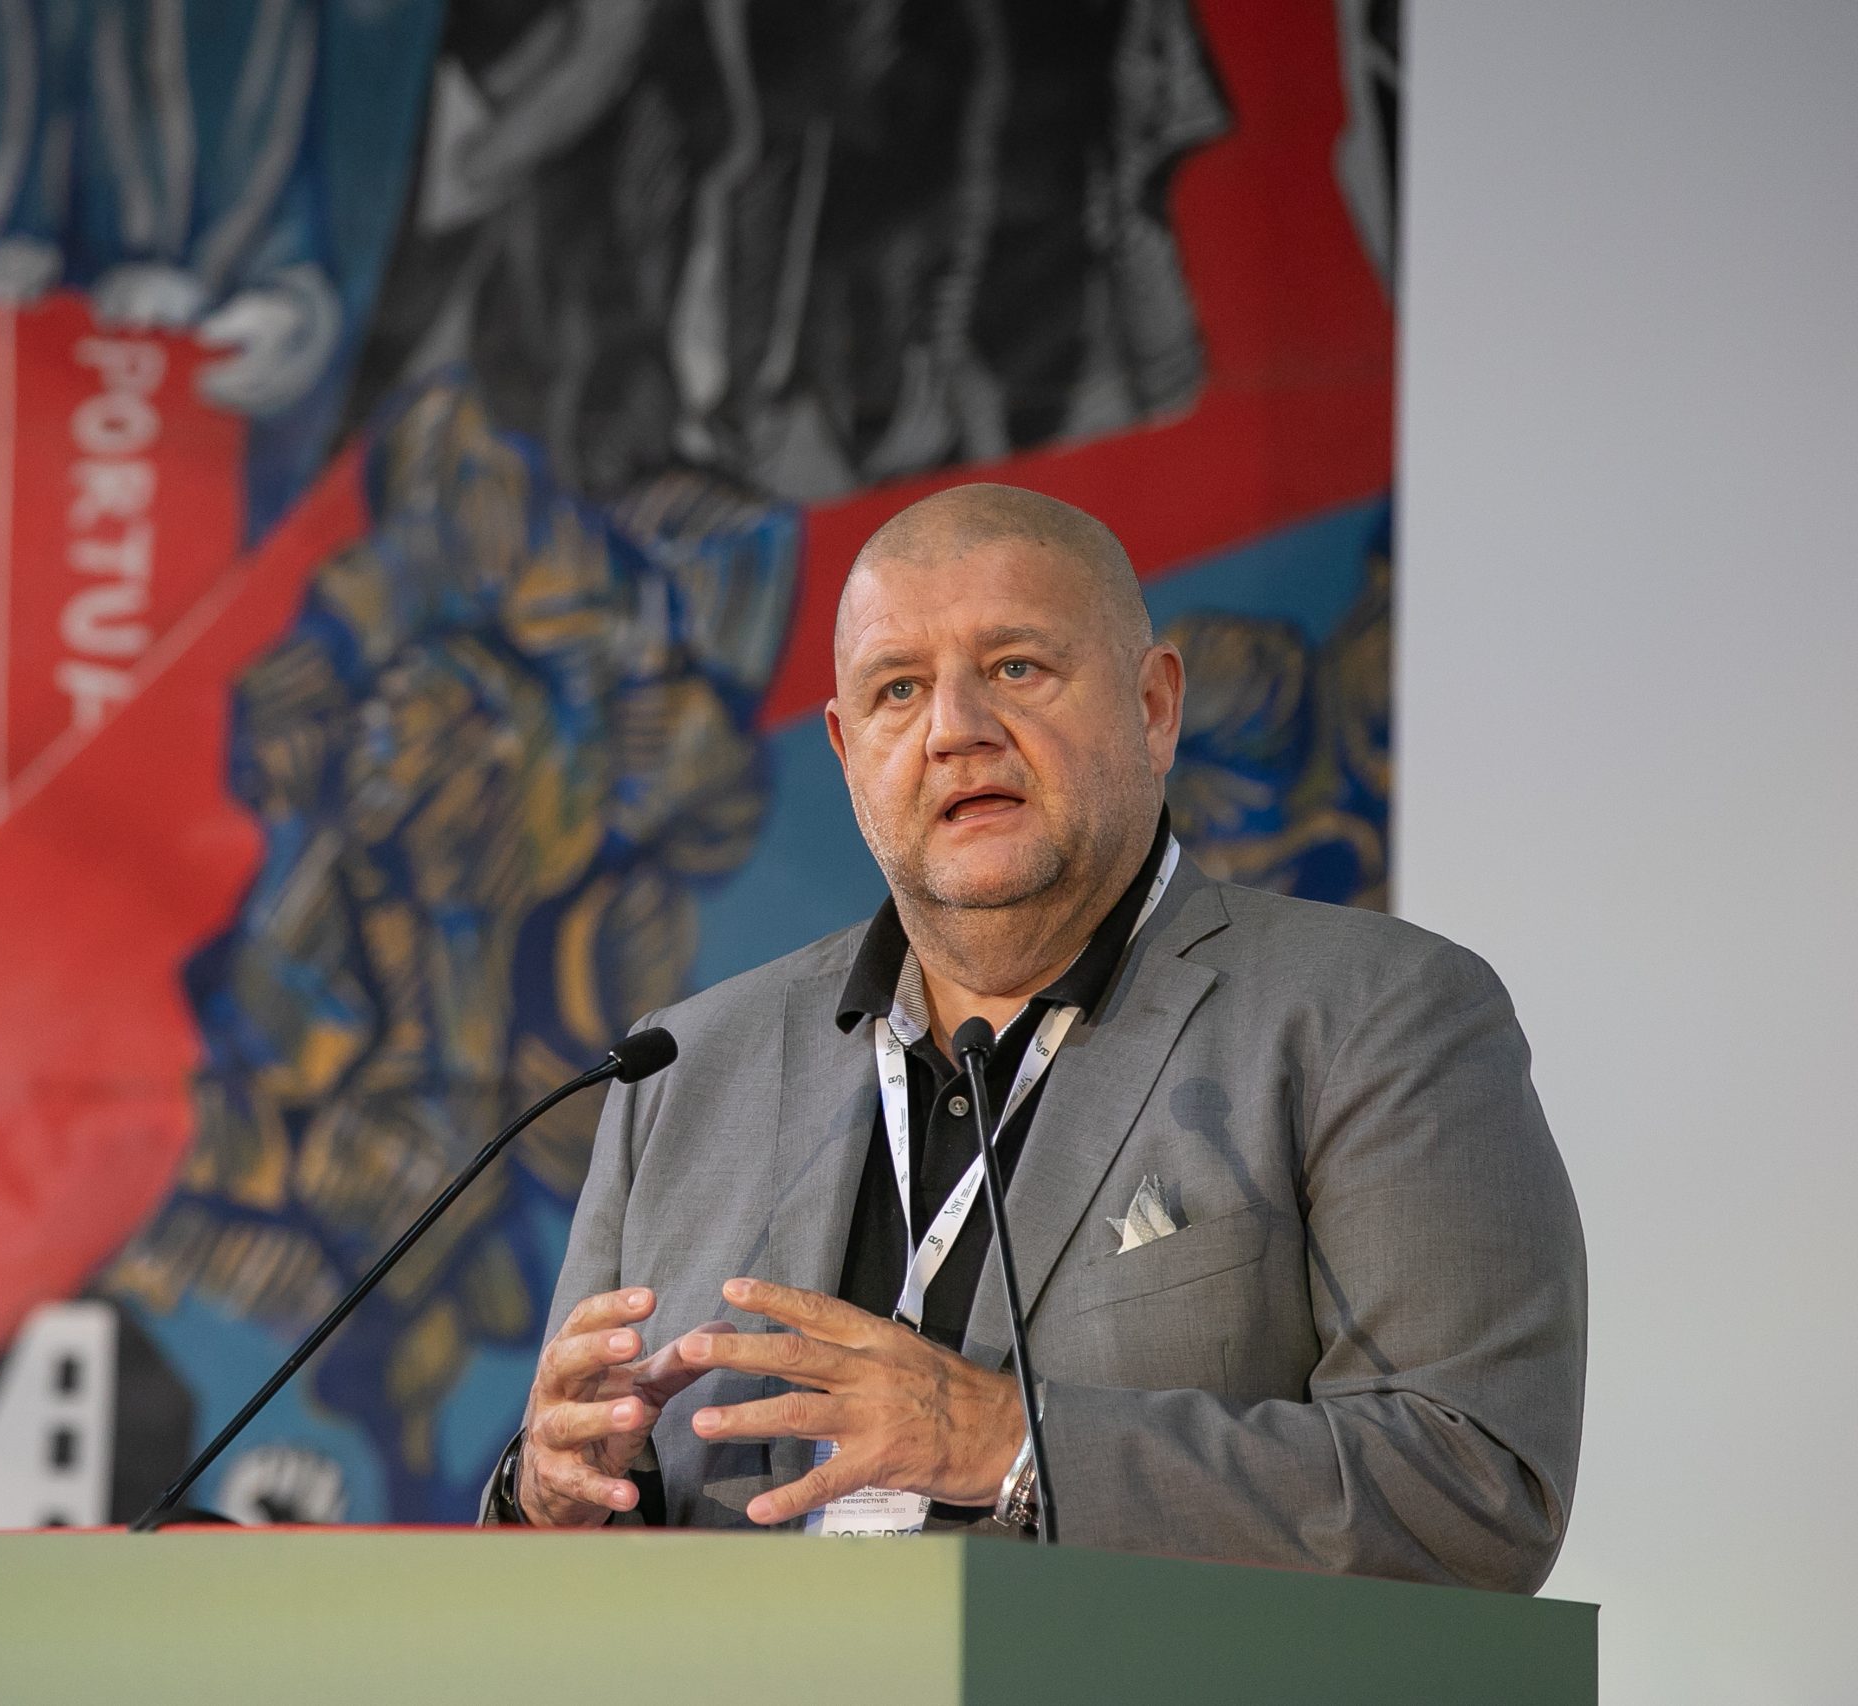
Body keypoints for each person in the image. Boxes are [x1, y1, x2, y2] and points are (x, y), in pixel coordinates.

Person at [480, 483, 1586, 1591]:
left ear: (1153, 707)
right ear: (847, 750)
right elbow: (559, 1554)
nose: (953, 728)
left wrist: (1013, 1443)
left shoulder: (1375, 1014)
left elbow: (1474, 1490)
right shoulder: (678, 1068)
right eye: (898, 688)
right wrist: (549, 1500)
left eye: (1015, 667)